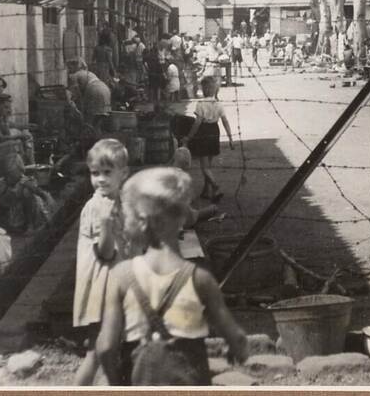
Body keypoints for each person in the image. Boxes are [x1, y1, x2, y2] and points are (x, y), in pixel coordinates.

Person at [96, 167, 248, 386]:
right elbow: (237, 339)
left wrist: (116, 382)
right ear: (183, 218)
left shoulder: (121, 277)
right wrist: (236, 350)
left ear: (137, 221)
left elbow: (106, 347)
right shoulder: (200, 279)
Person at [73, 139, 144, 385]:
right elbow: (104, 253)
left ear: (123, 173)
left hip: (117, 281)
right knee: (97, 350)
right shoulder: (97, 207)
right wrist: (105, 224)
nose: (101, 179)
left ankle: (117, 383)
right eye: (95, 173)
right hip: (101, 284)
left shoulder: (119, 201)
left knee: (109, 346)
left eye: (107, 173)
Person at [181, 76, 234, 202]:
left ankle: (216, 186)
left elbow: (197, 123)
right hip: (215, 131)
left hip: (204, 132)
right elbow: (225, 121)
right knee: (208, 165)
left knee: (204, 167)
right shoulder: (218, 104)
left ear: (204, 89)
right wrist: (230, 138)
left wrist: (188, 137)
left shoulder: (201, 104)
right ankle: (206, 191)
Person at [67, 58, 112, 131]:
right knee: (98, 118)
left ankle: (87, 137)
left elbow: (76, 93)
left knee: (89, 119)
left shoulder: (74, 75)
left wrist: (74, 104)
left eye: (70, 67)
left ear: (75, 67)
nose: (69, 70)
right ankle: (97, 136)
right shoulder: (89, 73)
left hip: (93, 90)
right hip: (104, 88)